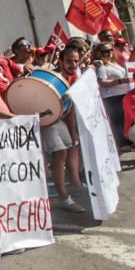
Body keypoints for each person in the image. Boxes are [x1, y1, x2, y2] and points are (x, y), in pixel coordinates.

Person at [41, 46, 85, 212]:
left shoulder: (74, 79)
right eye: (68, 61)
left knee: (71, 146)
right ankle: (64, 197)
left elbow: (70, 108)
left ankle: (75, 185)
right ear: (59, 61)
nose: (73, 64)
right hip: (46, 121)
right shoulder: (53, 79)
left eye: (75, 60)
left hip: (60, 120)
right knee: (60, 153)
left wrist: (73, 131)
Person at [93, 42, 131, 150]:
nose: (109, 53)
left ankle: (128, 141)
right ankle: (122, 144)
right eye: (105, 51)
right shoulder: (101, 66)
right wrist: (119, 81)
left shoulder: (113, 63)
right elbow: (102, 83)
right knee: (117, 121)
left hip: (122, 94)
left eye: (110, 50)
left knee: (125, 119)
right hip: (112, 97)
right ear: (99, 53)